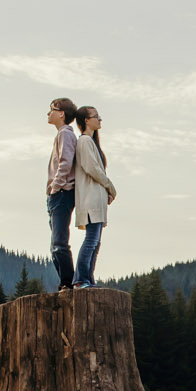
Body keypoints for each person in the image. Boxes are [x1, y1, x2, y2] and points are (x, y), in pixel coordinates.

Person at [72, 105, 115, 288]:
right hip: (90, 199)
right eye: (96, 116)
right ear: (86, 121)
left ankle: (88, 279)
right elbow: (92, 168)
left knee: (95, 243)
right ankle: (80, 279)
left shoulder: (91, 142)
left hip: (96, 199)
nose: (100, 119)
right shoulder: (84, 142)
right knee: (91, 240)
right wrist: (109, 185)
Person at [44, 97, 80, 290]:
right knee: (55, 243)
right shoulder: (62, 134)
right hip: (57, 194)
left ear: (61, 114)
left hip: (62, 193)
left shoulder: (65, 134)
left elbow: (65, 163)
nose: (48, 113)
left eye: (51, 109)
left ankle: (68, 283)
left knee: (59, 242)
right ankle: (65, 283)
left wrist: (55, 187)